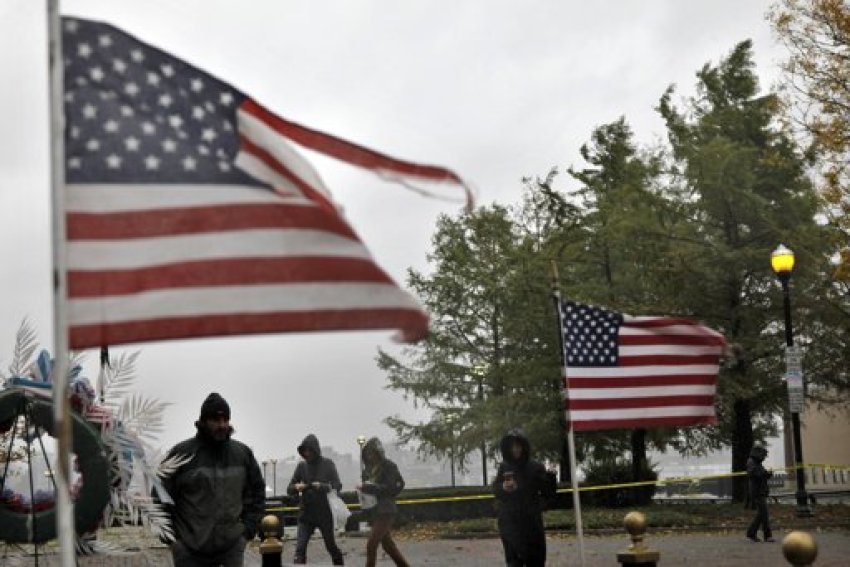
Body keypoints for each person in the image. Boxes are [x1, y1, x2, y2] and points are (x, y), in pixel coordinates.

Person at [161, 393, 266, 567]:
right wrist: (174, 540)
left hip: (231, 548)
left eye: (225, 419)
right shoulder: (181, 454)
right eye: (215, 420)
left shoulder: (242, 454)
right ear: (203, 421)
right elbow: (159, 497)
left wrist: (247, 531)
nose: (222, 425)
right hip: (189, 551)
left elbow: (257, 494)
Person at [493, 429, 557, 567]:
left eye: (518, 446)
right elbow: (496, 490)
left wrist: (551, 477)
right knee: (514, 562)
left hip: (531, 524)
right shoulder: (504, 467)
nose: (515, 450)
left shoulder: (535, 467)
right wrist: (504, 487)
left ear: (524, 446)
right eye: (512, 447)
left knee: (535, 560)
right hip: (510, 524)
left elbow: (549, 493)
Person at [287, 434, 345, 565]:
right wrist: (296, 487)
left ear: (316, 450)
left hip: (325, 514)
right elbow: (289, 488)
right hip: (306, 514)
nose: (307, 453)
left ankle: (338, 561)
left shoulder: (328, 464)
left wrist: (323, 486)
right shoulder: (301, 466)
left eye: (310, 450)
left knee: (330, 546)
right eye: (305, 451)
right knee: (300, 549)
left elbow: (337, 485)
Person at [358, 437, 409, 567]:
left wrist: (369, 488)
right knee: (388, 546)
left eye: (372, 453)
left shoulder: (389, 466)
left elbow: (393, 486)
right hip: (373, 510)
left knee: (371, 544)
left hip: (386, 510)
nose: (370, 456)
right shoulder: (367, 470)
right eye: (367, 454)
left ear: (378, 452)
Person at [746, 443, 775, 543]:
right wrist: (764, 473)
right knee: (764, 514)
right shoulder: (751, 462)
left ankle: (751, 532)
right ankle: (767, 536)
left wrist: (768, 474)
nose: (764, 457)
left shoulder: (757, 463)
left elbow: (762, 476)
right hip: (757, 491)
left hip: (761, 490)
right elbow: (755, 474)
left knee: (761, 514)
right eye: (763, 455)